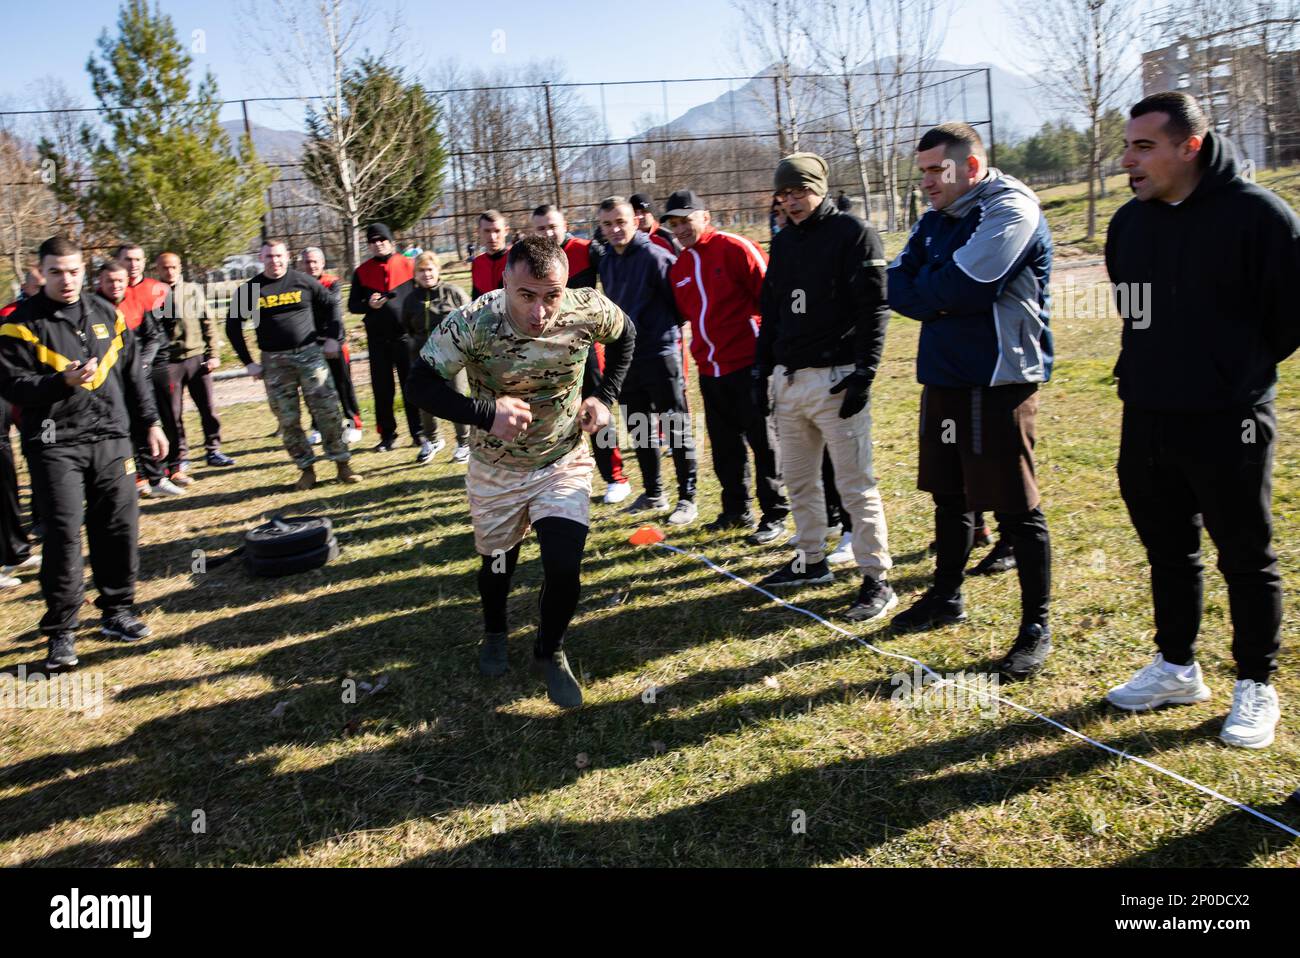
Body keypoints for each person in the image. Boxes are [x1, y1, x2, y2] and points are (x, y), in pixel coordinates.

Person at [1102, 91, 1299, 748]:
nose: (1127, 159)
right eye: (1127, 145)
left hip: (1229, 417)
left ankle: (1255, 683)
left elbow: (1287, 319)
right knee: (1167, 549)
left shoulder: (1260, 217)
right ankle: (1177, 667)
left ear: (1190, 146)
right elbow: (1133, 311)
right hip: (1148, 413)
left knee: (1246, 553)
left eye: (1143, 146)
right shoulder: (1129, 224)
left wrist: (1230, 371)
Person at [406, 235, 636, 708]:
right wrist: (484, 413)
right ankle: (495, 630)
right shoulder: (472, 322)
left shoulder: (586, 308)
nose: (540, 312)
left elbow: (627, 334)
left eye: (551, 296)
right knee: (497, 565)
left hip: (561, 460)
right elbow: (419, 383)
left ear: (565, 286)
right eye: (526, 296)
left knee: (564, 566)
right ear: (504, 281)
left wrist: (603, 398)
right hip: (496, 469)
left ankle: (549, 650)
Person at [887, 123, 1054, 680]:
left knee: (1015, 506)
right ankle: (946, 596)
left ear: (972, 168)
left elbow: (966, 287)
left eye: (937, 171)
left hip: (998, 380)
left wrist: (932, 292)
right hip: (946, 375)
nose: (928, 183)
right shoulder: (937, 215)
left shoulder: (1010, 208)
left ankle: (1036, 627)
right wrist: (936, 292)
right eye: (924, 172)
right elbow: (898, 283)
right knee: (949, 495)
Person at [0, 237, 168, 669]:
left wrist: (150, 422)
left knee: (119, 527)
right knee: (62, 536)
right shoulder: (19, 324)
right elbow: (13, 386)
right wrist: (62, 383)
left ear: (84, 272)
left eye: (73, 271)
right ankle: (61, 632)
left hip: (112, 438)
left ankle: (117, 611)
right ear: (42, 273)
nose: (66, 279)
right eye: (56, 272)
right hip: (56, 444)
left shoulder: (107, 314)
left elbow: (134, 375)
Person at [755, 152, 895, 623]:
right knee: (798, 479)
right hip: (789, 381)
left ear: (820, 188)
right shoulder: (785, 241)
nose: (792, 202)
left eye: (800, 192)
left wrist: (864, 373)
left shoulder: (854, 234)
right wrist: (764, 368)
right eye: (784, 194)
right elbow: (772, 308)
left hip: (837, 379)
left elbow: (875, 308)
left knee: (855, 484)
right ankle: (811, 558)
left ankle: (878, 578)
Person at [662, 188, 789, 544]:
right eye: (673, 223)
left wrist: (770, 358)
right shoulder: (680, 267)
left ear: (705, 217)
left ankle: (775, 513)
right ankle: (736, 509)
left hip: (748, 364)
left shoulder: (735, 248)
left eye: (686, 220)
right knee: (724, 446)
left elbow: (772, 300)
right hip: (710, 370)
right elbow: (690, 315)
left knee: (763, 441)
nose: (680, 229)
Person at [226, 240, 361, 490]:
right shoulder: (250, 289)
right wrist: (248, 363)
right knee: (288, 420)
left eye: (278, 256)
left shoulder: (303, 281)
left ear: (287, 257)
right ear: (261, 258)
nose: (274, 261)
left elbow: (332, 304)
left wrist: (333, 338)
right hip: (275, 363)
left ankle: (343, 464)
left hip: (310, 356)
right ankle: (306, 469)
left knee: (328, 411)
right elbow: (232, 327)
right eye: (268, 256)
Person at [597, 195, 697, 525]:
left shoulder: (656, 256)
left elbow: (679, 307)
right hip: (626, 359)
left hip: (660, 353)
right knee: (639, 428)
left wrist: (656, 334)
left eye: (620, 222)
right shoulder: (608, 260)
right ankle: (654, 493)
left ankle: (688, 497)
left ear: (636, 221)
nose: (614, 229)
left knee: (675, 425)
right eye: (607, 224)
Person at [532, 203, 630, 504]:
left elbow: (615, 279)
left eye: (552, 226)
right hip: (545, 351)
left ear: (565, 224)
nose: (548, 233)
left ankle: (616, 477)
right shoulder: (529, 257)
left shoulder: (588, 250)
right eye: (541, 228)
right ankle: (559, 479)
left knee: (594, 410)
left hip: (585, 349)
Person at [93, 263, 176, 497]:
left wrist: (143, 363)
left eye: (120, 281)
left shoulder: (135, 301)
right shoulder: (92, 308)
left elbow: (153, 336)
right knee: (121, 431)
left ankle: (158, 477)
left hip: (138, 376)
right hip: (108, 383)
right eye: (110, 281)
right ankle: (135, 479)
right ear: (100, 282)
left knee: (148, 424)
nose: (116, 285)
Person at [154, 252, 232, 478]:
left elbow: (208, 322)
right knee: (172, 413)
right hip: (169, 363)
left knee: (208, 408)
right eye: (165, 267)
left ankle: (214, 450)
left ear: (179, 267)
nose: (170, 271)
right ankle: (180, 457)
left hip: (197, 359)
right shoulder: (152, 294)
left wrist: (214, 354)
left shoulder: (192, 290)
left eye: (174, 267)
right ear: (157, 269)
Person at [347, 223, 419, 453]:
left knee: (412, 387)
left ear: (391, 242)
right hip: (378, 341)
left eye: (382, 239)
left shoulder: (408, 265)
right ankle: (387, 435)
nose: (378, 244)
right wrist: (367, 304)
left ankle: (418, 432)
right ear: (368, 245)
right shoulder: (362, 272)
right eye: (373, 241)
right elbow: (352, 306)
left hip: (406, 338)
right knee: (382, 390)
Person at [401, 252, 472, 463]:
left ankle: (464, 443)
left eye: (430, 269)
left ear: (438, 270)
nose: (426, 274)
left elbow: (471, 318)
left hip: (453, 356)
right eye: (421, 270)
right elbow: (407, 327)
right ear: (415, 274)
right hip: (423, 358)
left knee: (457, 397)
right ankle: (432, 440)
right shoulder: (410, 300)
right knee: (425, 399)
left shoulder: (453, 293)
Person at [114, 243, 170, 495]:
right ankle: (137, 475)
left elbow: (164, 328)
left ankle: (167, 469)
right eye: (127, 259)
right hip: (123, 369)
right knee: (131, 422)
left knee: (162, 415)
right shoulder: (111, 291)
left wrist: (148, 359)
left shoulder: (157, 289)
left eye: (137, 259)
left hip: (157, 361)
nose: (133, 263)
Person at [300, 246, 364, 445]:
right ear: (301, 264)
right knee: (313, 388)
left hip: (334, 342)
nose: (311, 266)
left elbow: (331, 305)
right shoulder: (297, 284)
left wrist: (333, 339)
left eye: (314, 262)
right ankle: (317, 426)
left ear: (322, 263)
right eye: (307, 262)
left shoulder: (332, 282)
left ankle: (353, 423)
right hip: (308, 343)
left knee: (342, 384)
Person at [470, 210, 510, 298]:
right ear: (478, 232)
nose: (492, 237)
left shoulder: (516, 260)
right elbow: (475, 300)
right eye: (487, 231)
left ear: (506, 231)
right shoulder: (477, 263)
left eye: (497, 231)